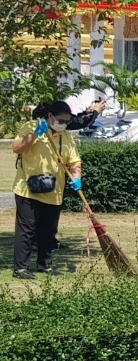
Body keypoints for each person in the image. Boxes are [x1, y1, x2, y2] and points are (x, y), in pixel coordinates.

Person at [12, 101, 82, 280]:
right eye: (61, 120)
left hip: (54, 191)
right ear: (50, 116)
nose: (64, 124)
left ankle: (45, 265)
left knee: (48, 230)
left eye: (67, 121)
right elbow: (17, 148)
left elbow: (74, 161)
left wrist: (77, 177)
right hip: (28, 189)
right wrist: (36, 134)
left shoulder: (67, 137)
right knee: (27, 229)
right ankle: (21, 268)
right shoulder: (31, 127)